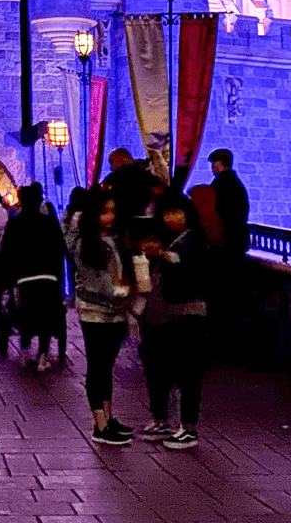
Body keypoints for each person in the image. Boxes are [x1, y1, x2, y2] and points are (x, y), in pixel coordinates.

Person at [65, 187, 137, 444]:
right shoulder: (87, 243)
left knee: (106, 367)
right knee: (97, 366)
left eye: (113, 212)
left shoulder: (116, 240)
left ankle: (109, 417)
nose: (109, 217)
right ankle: (100, 425)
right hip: (96, 312)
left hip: (116, 312)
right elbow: (98, 282)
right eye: (104, 211)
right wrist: (123, 292)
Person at [138, 194, 209, 450]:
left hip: (187, 313)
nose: (172, 218)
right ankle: (161, 419)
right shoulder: (163, 239)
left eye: (177, 212)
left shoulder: (196, 239)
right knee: (158, 368)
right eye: (167, 214)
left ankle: (188, 427)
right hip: (159, 313)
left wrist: (167, 257)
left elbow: (197, 270)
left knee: (187, 370)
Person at [1, 182, 67, 373]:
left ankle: (24, 350)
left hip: (24, 278)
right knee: (47, 312)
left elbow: (7, 252)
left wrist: (10, 277)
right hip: (48, 278)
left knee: (25, 310)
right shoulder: (49, 223)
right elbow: (60, 249)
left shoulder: (15, 223)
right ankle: (43, 354)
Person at [101, 148, 161, 230]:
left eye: (111, 161)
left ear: (119, 158)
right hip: (149, 224)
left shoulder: (113, 179)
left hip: (120, 225)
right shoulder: (150, 176)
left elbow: (101, 197)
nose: (111, 167)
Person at [208, 149, 250, 256]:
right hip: (237, 239)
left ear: (219, 164)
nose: (212, 167)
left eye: (213, 163)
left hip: (225, 239)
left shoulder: (221, 184)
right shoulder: (235, 183)